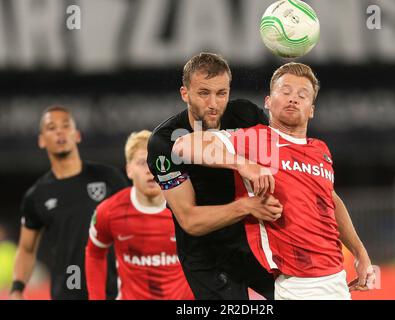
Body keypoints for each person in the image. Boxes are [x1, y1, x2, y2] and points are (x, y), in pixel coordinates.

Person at [173, 62, 375, 300]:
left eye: (302, 95)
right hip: (297, 285)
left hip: (336, 281)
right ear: (268, 101)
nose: (293, 99)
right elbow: (183, 145)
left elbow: (330, 201)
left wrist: (360, 253)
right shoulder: (257, 139)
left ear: (311, 109)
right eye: (285, 91)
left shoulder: (320, 151)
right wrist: (244, 164)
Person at [147, 52, 281, 300]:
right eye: (203, 93)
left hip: (253, 241)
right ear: (185, 94)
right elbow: (189, 220)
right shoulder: (164, 141)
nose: (214, 103)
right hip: (205, 254)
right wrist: (247, 204)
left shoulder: (248, 116)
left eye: (221, 93)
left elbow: (281, 172)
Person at [10, 106, 127, 300]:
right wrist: (17, 289)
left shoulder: (108, 177)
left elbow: (134, 225)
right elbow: (26, 249)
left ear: (77, 135)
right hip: (66, 294)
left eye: (66, 125)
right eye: (51, 127)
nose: (59, 131)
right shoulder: (37, 195)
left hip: (113, 292)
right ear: (41, 140)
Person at [85, 130, 194, 300]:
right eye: (142, 163)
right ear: (129, 170)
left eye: (154, 162)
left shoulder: (187, 207)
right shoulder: (109, 211)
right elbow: (94, 253)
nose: (149, 170)